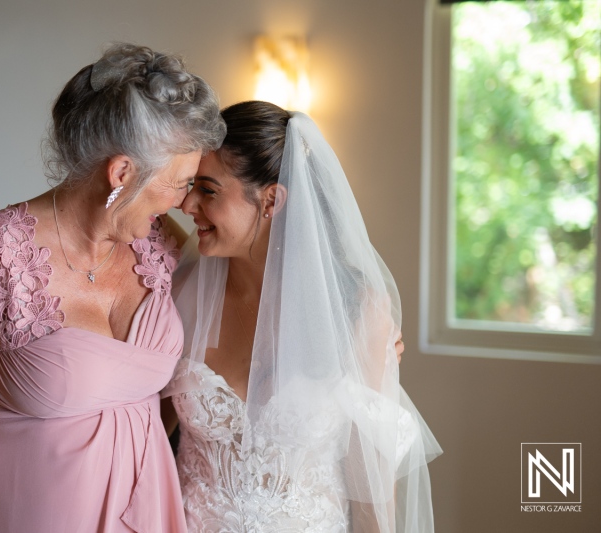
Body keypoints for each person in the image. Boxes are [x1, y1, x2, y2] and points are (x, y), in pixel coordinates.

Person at [0, 43, 225, 533]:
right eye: (179, 183)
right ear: (122, 174)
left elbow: (251, 288)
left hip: (142, 509)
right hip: (13, 512)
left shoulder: (163, 245)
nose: (185, 201)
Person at [162, 101, 442, 532]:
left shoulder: (355, 309)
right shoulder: (179, 294)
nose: (188, 203)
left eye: (208, 190)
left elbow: (371, 477)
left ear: (271, 199)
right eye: (190, 186)